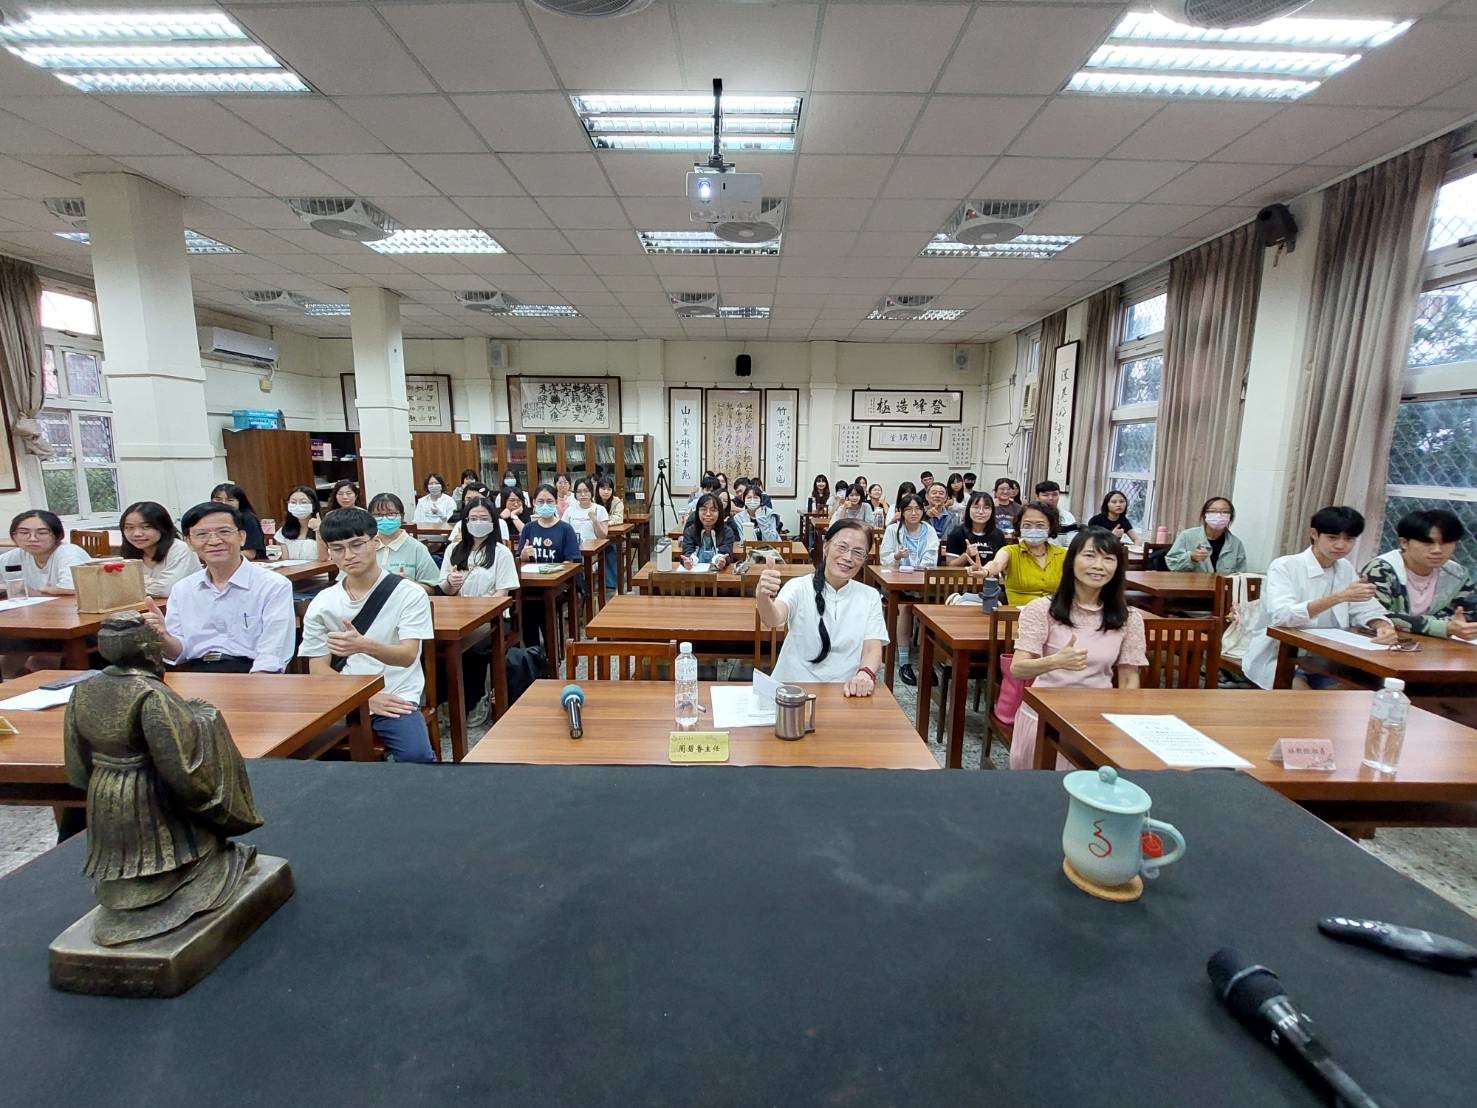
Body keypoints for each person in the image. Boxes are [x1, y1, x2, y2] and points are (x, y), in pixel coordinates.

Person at [301, 507, 436, 763]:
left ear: (375, 542)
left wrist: (363, 645)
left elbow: (407, 656)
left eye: (357, 545)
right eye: (338, 548)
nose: (349, 555)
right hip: (341, 696)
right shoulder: (323, 602)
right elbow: (318, 670)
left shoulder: (409, 593)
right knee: (301, 754)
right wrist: (365, 699)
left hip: (396, 694)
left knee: (418, 758)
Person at [1007, 529, 1148, 770]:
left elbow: (1128, 677)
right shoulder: (1042, 609)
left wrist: (1125, 722)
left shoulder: (1129, 618)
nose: (1098, 566)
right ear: (1071, 561)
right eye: (1090, 556)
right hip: (1045, 719)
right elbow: (1018, 668)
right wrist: (1055, 661)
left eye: (1108, 559)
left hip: (1097, 720)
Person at [1242, 506, 1399, 690]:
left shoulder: (1345, 568)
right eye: (1332, 538)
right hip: (1280, 655)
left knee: (1361, 692)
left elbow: (1365, 608)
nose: (1341, 545)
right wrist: (1338, 597)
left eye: (1349, 539)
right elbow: (1283, 616)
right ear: (1314, 534)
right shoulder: (1285, 566)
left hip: (1327, 659)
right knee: (1305, 700)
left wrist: (1383, 626)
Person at [142, 502, 295, 673]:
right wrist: (163, 636)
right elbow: (178, 652)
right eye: (202, 534)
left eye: (224, 532)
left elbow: (273, 653)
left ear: (242, 537)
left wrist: (255, 692)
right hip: (198, 673)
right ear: (189, 542)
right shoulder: (183, 589)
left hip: (253, 673)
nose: (214, 541)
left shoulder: (273, 586)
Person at [756, 518, 886, 695]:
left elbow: (873, 647)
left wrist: (865, 673)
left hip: (844, 691)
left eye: (858, 553)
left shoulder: (870, 596)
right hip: (792, 690)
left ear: (864, 559)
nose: (848, 558)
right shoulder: (798, 586)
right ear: (826, 547)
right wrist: (763, 597)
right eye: (842, 547)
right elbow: (772, 618)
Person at [439, 499, 521, 725]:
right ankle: (445, 698)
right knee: (437, 645)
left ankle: (476, 699)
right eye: (473, 519)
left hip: (492, 618)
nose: (477, 523)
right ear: (465, 522)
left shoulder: (501, 553)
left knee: (473, 647)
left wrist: (480, 615)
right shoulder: (454, 550)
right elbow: (444, 590)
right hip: (457, 616)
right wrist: (449, 581)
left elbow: (502, 594)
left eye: (483, 519)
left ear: (493, 522)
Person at [1362, 508, 1476, 642]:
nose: (1437, 550)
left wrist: (1460, 626)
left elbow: (1469, 614)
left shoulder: (1457, 574)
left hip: (1433, 646)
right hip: (1385, 643)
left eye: (1445, 543)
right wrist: (1443, 626)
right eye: (1428, 543)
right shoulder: (1381, 569)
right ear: (1404, 543)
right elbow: (1376, 615)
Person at [879, 494, 939, 685]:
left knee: (930, 611)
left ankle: (927, 662)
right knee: (905, 607)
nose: (914, 513)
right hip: (897, 584)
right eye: (908, 509)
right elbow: (884, 559)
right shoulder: (893, 530)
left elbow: (931, 559)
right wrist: (897, 556)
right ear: (901, 512)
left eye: (918, 509)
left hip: (924, 585)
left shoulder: (929, 531)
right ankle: (904, 662)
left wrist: (918, 567)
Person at [517, 484, 583, 652]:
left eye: (549, 501)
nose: (544, 505)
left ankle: (550, 653)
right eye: (540, 501)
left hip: (557, 586)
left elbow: (573, 561)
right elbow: (519, 559)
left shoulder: (565, 529)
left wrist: (556, 569)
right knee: (524, 604)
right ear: (533, 503)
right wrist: (523, 555)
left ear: (555, 503)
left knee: (541, 606)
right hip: (530, 584)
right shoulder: (528, 528)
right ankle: (532, 653)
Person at [981, 502, 1067, 606]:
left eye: (1040, 525)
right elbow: (996, 564)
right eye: (1027, 525)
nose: (1033, 530)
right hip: (1017, 616)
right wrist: (985, 570)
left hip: (1055, 615)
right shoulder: (1010, 551)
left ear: (1051, 527)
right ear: (1019, 526)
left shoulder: (1062, 554)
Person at [118, 500, 200, 598]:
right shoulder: (131, 552)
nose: (137, 533)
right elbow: (120, 586)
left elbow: (166, 590)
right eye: (129, 528)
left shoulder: (179, 549)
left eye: (146, 527)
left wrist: (139, 583)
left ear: (163, 527)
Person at [2, 510, 90, 595]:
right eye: (24, 532)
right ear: (14, 536)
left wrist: (24, 590)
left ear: (58, 535)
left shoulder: (68, 553)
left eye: (42, 533)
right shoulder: (16, 555)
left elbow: (71, 590)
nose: (32, 538)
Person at [368, 493, 439, 588]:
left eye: (391, 514)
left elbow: (433, 588)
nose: (385, 518)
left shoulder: (417, 548)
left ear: (402, 516)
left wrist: (407, 586)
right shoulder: (363, 546)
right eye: (378, 515)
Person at [1165, 496, 1248, 574]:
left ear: (1230, 517)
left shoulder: (1236, 543)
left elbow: (1240, 574)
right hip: (1191, 587)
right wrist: (1190, 557)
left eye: (1225, 512)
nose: (1218, 516)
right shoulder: (1187, 536)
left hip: (1221, 588)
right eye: (1212, 511)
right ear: (1205, 514)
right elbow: (1171, 563)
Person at [944, 492, 1007, 569]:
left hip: (990, 578)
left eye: (986, 508)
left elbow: (1003, 564)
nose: (981, 512)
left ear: (992, 511)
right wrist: (966, 555)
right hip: (963, 578)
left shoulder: (998, 535)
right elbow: (950, 566)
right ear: (968, 509)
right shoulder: (957, 533)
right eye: (976, 507)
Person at [681, 493, 739, 570]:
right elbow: (687, 551)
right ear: (697, 512)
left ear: (719, 513)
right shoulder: (690, 531)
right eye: (703, 509)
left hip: (718, 573)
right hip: (694, 572)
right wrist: (689, 561)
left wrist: (721, 561)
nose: (708, 514)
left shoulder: (727, 532)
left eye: (713, 510)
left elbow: (726, 553)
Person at [210, 482, 268, 560]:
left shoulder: (248, 518)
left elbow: (250, 554)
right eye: (218, 499)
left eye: (230, 500)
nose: (224, 503)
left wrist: (220, 556)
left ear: (240, 502)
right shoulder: (209, 519)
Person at [274, 485, 323, 560]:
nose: (298, 506)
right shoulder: (284, 530)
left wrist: (318, 530)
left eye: (303, 502)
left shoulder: (324, 528)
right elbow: (285, 559)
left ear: (313, 505)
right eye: (293, 502)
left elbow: (324, 558)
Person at [594, 476, 625, 594]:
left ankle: (611, 583)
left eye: (609, 489)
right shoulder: (593, 501)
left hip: (612, 537)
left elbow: (618, 518)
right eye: (603, 488)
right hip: (596, 536)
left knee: (610, 549)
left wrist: (605, 523)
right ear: (598, 490)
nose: (606, 492)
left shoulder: (617, 502)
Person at [564, 476, 610, 545]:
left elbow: (603, 536)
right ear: (575, 494)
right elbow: (562, 531)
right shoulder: (570, 510)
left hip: (593, 550)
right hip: (573, 549)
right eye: (579, 492)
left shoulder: (600, 509)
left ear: (591, 492)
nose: (583, 494)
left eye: (586, 491)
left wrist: (595, 521)